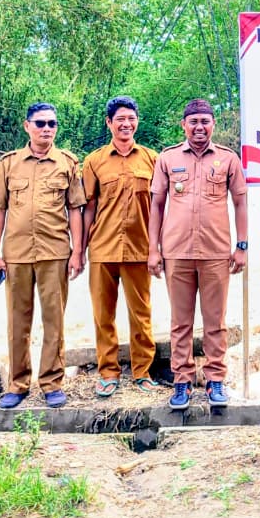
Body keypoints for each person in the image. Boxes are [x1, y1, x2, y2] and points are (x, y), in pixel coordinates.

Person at [0, 102, 85, 408]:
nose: (46, 129)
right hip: (16, 254)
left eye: (52, 124)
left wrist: (78, 251)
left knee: (54, 320)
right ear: (27, 126)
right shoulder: (9, 164)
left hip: (55, 253)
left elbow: (76, 210)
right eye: (40, 123)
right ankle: (17, 384)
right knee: (18, 321)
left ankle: (52, 383)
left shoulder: (67, 163)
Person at [148, 99, 248, 410]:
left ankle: (215, 380)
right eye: (193, 122)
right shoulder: (168, 158)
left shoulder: (229, 160)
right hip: (176, 252)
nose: (199, 127)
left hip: (216, 252)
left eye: (205, 121)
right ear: (184, 125)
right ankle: (182, 382)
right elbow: (156, 205)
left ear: (213, 124)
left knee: (215, 321)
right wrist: (154, 249)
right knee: (180, 322)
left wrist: (241, 245)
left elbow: (240, 203)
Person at [81, 96, 159, 396]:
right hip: (102, 248)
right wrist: (80, 251)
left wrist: (159, 248)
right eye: (120, 119)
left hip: (140, 249)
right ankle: (108, 372)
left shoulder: (153, 159)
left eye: (131, 118)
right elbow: (88, 207)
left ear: (137, 121)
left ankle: (142, 371)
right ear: (109, 123)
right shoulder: (94, 161)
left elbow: (160, 206)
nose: (126, 124)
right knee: (103, 314)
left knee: (141, 314)